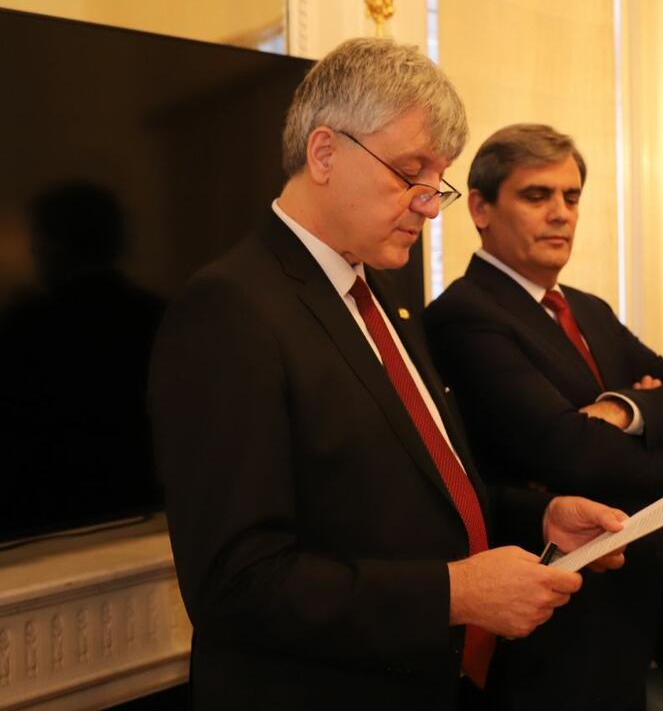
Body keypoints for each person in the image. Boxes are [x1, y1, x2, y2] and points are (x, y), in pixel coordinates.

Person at [148, 39, 630, 711]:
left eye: (438, 182)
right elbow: (237, 582)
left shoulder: (383, 295)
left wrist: (540, 517)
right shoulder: (230, 309)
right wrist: (455, 593)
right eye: (410, 174)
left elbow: (417, 493)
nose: (429, 205)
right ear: (324, 154)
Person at [424, 123, 663, 710]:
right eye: (537, 195)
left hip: (637, 612)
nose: (561, 213)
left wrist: (621, 408)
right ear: (480, 208)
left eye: (571, 197)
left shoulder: (589, 309)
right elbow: (570, 452)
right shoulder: (465, 314)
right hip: (558, 627)